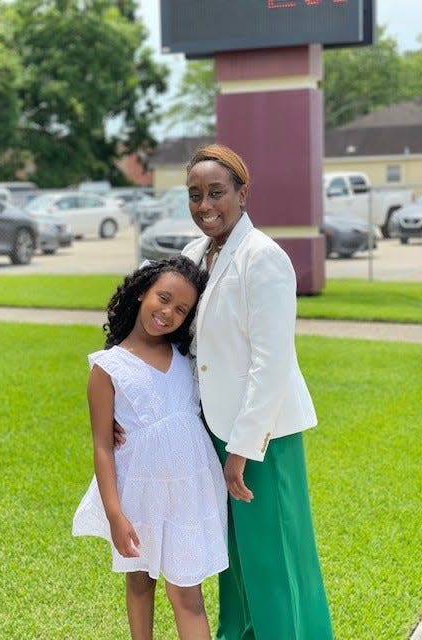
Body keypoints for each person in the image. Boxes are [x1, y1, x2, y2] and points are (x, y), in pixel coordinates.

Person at [180, 144, 333, 639]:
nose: (206, 205)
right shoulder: (190, 256)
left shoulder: (264, 257)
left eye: (217, 193)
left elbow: (271, 364)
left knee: (276, 559)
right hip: (211, 429)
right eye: (195, 195)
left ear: (243, 195)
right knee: (235, 562)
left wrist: (242, 450)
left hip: (263, 437)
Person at [72, 256, 228, 640]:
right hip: (138, 492)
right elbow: (103, 448)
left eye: (181, 309)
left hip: (188, 493)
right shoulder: (108, 368)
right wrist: (114, 514)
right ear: (142, 291)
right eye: (163, 298)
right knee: (140, 584)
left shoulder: (186, 357)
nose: (168, 313)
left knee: (188, 594)